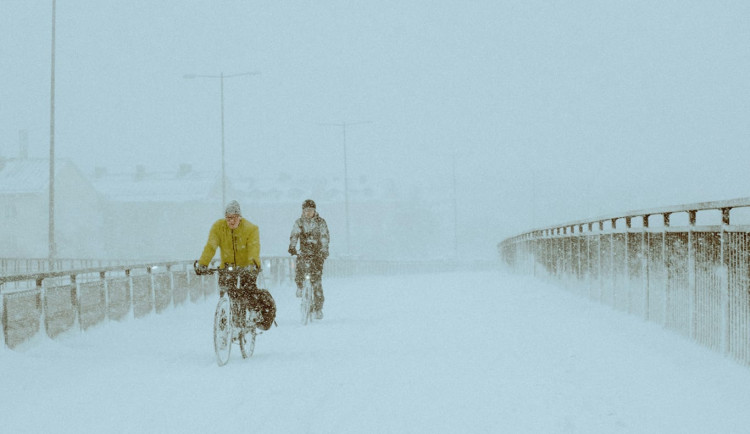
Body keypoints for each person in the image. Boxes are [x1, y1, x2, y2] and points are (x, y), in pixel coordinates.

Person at [195, 200, 261, 327]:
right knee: (226, 292)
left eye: (234, 218)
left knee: (249, 290)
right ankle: (224, 322)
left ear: (240, 217)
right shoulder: (218, 227)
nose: (231, 221)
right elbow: (211, 246)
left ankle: (253, 312)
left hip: (247, 267)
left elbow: (254, 248)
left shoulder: (251, 229)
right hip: (227, 267)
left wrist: (252, 264)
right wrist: (203, 264)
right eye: (228, 218)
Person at [288, 199, 329, 319]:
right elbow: (294, 234)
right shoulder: (299, 222)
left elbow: (324, 236)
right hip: (304, 252)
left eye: (310, 210)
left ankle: (318, 308)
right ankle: (300, 286)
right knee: (300, 268)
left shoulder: (321, 223)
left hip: (317, 254)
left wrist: (324, 250)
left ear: (314, 211)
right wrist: (292, 246)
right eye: (305, 211)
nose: (308, 213)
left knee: (316, 282)